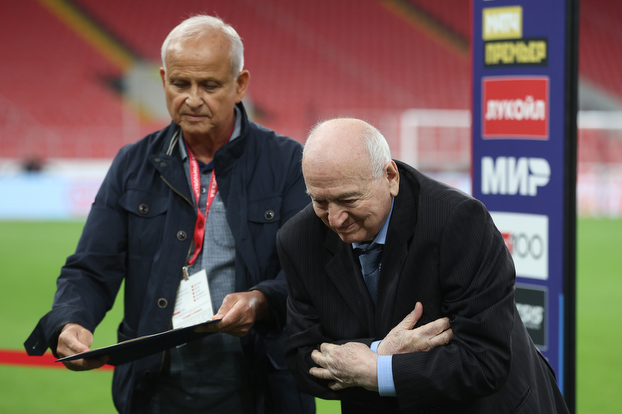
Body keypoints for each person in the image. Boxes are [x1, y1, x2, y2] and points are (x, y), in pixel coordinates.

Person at [25, 15, 314, 414]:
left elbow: (308, 272)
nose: (192, 99)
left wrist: (262, 300)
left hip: (263, 391)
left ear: (240, 84)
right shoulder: (132, 164)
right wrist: (70, 320)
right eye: (180, 84)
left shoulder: (288, 163)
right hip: (153, 392)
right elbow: (92, 266)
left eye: (209, 85)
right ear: (163, 80)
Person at [277, 118, 570, 413]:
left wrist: (378, 371)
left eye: (348, 199)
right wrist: (378, 352)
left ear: (390, 177)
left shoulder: (457, 221)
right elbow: (302, 359)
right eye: (320, 201)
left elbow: (483, 360)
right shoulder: (298, 238)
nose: (335, 219)